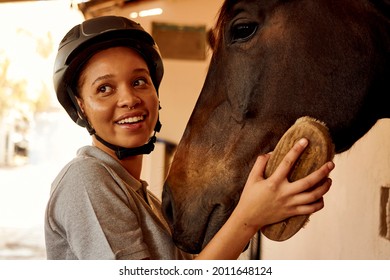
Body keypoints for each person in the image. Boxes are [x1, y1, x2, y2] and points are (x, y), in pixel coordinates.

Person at [44, 15, 334, 260]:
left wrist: (262, 203)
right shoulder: (85, 178)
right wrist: (248, 219)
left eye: (139, 81)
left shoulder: (147, 202)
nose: (129, 98)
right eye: (104, 89)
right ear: (81, 106)